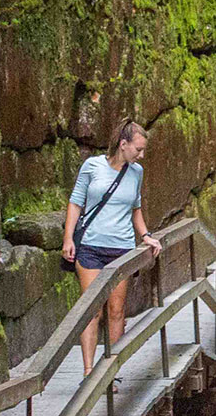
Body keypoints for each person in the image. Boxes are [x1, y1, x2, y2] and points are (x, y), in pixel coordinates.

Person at [63, 120, 163, 375]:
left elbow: (135, 209)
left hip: (121, 249)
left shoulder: (136, 172)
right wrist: (68, 239)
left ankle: (111, 373)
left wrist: (146, 236)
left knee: (116, 311)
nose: (142, 155)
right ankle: (88, 372)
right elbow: (76, 203)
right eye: (138, 149)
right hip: (91, 247)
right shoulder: (92, 166)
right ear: (123, 144)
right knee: (92, 310)